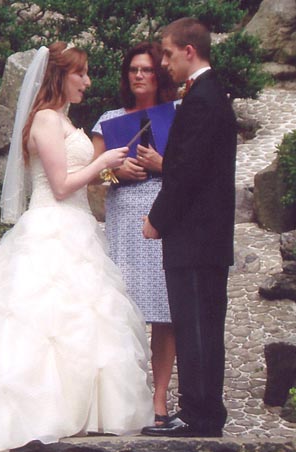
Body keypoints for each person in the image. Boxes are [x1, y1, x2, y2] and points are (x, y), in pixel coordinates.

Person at [0, 42, 154, 452]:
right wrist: (103, 160)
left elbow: (80, 182)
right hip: (52, 225)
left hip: (78, 227)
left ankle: (84, 416)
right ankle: (35, 415)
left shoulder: (63, 119)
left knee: (83, 322)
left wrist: (109, 170)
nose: (87, 81)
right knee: (42, 324)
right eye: (80, 73)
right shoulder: (45, 119)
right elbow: (61, 186)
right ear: (58, 75)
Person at [142, 18, 237, 437]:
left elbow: (186, 171)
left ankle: (200, 416)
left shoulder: (203, 100)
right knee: (201, 323)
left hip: (196, 236)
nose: (163, 62)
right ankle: (202, 410)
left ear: (189, 51)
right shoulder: (207, 94)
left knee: (196, 324)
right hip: (204, 237)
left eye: (166, 53)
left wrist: (156, 219)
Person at [92, 42, 177, 425]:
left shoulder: (176, 114)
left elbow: (194, 167)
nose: (139, 76)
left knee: (164, 310)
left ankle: (159, 400)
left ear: (159, 74)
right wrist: (118, 172)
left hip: (164, 216)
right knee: (121, 309)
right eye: (133, 70)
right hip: (124, 218)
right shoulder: (109, 118)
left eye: (146, 69)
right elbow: (93, 174)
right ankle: (125, 398)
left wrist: (162, 165)